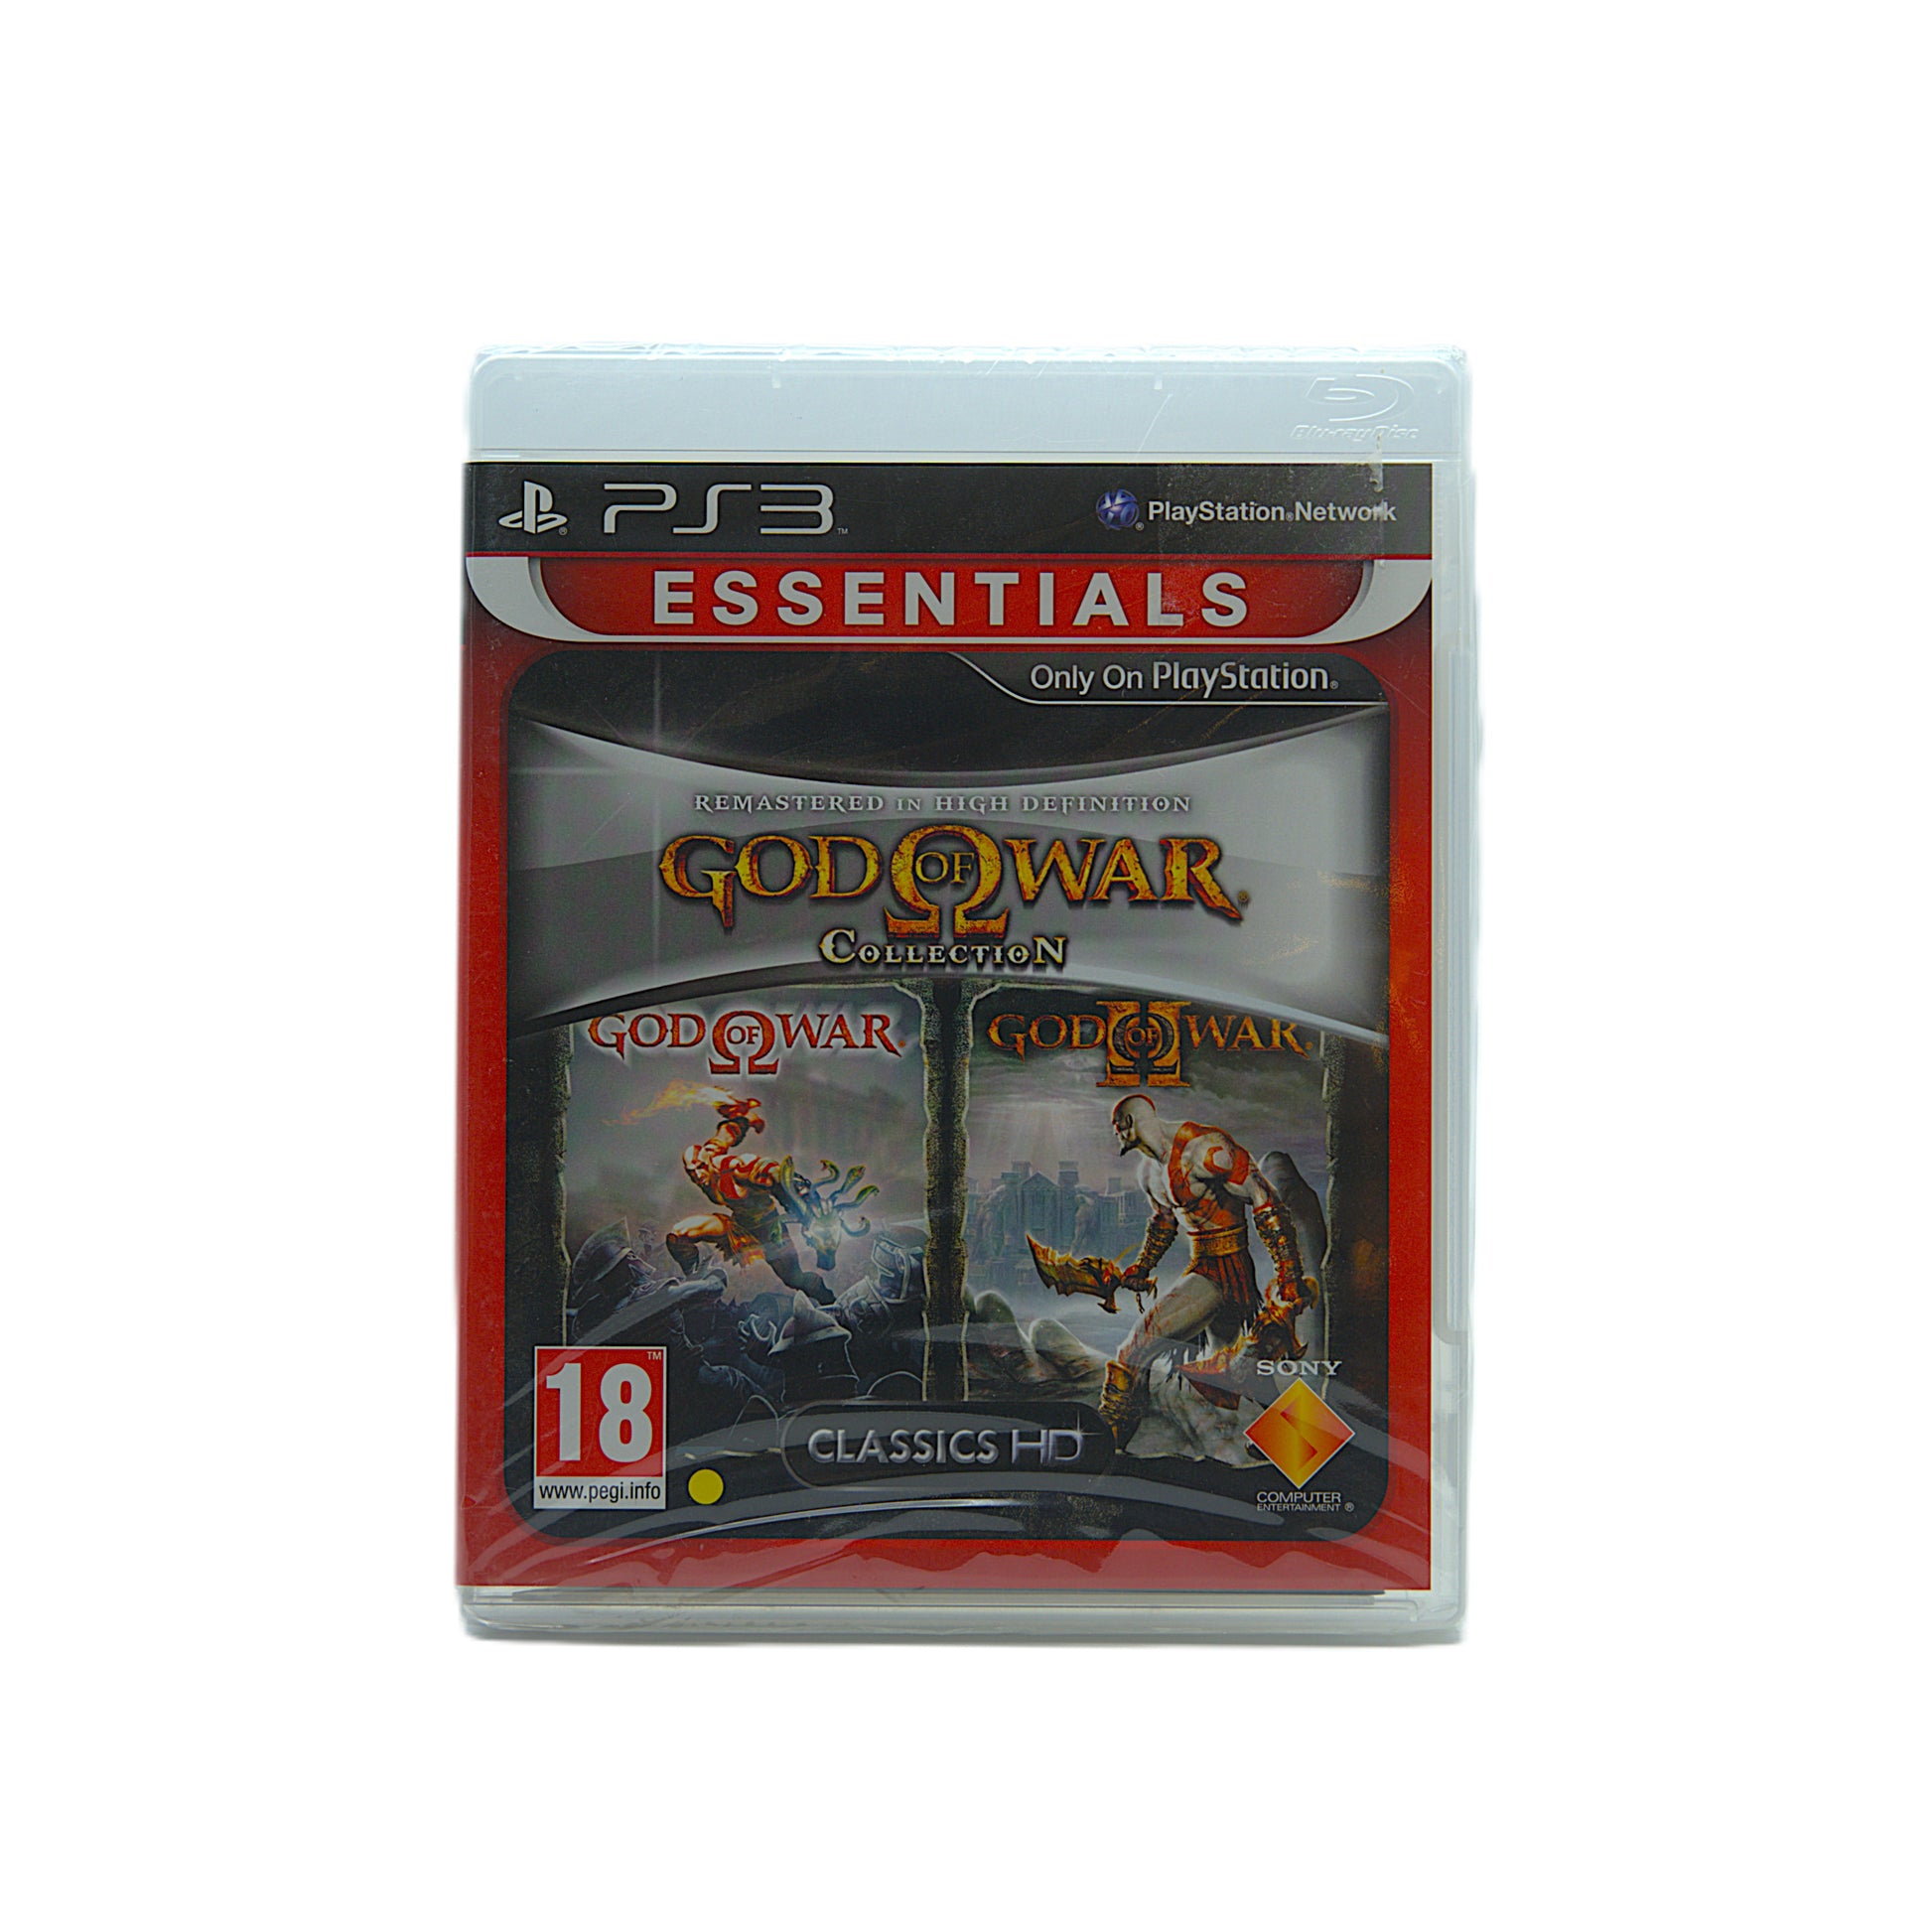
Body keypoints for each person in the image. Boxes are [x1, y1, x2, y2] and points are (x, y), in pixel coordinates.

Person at [1100, 1092, 1316, 1442]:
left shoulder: (1204, 1150)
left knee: (1134, 1349)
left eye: (1118, 1127)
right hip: (1204, 1265)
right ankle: (1307, 1445)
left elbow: (1263, 1197)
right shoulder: (1149, 1172)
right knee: (1246, 1375)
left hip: (1222, 1273)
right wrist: (1142, 1267)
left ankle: (1111, 1440)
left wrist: (1289, 1273)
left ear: (1131, 1123)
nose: (1116, 1134)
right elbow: (1164, 1222)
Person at [664, 1095, 833, 1306]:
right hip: (738, 1226)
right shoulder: (708, 1153)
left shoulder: (734, 1168)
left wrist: (805, 1198)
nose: (697, 1175)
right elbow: (725, 1135)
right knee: (678, 1235)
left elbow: (772, 1174)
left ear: (708, 1163)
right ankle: (697, 1285)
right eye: (691, 1172)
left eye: (700, 1168)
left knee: (794, 1278)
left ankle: (830, 1302)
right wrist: (746, 1119)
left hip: (770, 1230)